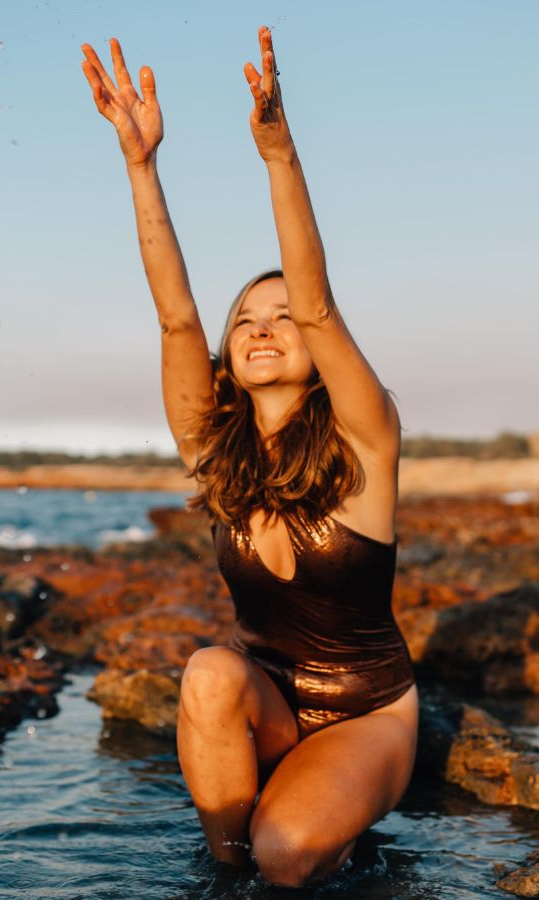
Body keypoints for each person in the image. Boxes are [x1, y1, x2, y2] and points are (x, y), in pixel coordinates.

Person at [81, 26, 418, 889]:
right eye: (247, 320)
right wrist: (140, 166)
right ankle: (224, 872)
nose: (266, 327)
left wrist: (278, 152)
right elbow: (175, 317)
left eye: (281, 320)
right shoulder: (216, 453)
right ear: (230, 357)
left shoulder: (365, 438)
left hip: (366, 713)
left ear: (310, 347)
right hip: (262, 702)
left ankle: (300, 833)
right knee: (205, 676)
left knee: (287, 854)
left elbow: (317, 301)